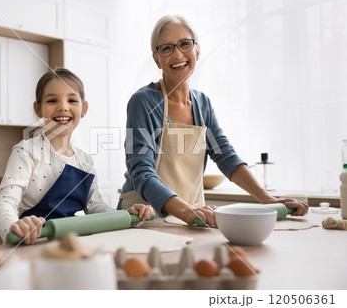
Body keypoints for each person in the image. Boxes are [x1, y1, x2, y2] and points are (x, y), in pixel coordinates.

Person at [118, 15, 308, 226]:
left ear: (197, 51)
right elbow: (141, 172)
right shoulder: (143, 101)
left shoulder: (203, 103)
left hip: (194, 216)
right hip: (146, 216)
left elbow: (225, 155)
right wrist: (187, 211)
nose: (178, 54)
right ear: (156, 59)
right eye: (166, 48)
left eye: (184, 44)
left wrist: (267, 199)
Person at [0, 68, 153, 244]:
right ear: (38, 109)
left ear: (83, 109)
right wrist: (15, 227)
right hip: (32, 243)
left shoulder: (85, 161)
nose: (63, 107)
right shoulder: (27, 152)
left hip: (71, 244)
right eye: (52, 100)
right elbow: (4, 202)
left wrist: (125, 216)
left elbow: (95, 207)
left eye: (72, 100)